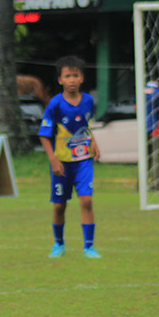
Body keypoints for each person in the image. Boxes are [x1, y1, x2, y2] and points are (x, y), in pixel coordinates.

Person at [39, 56, 101, 259]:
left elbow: (85, 126)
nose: (72, 79)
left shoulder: (89, 101)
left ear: (82, 78)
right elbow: (44, 135)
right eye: (68, 76)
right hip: (62, 163)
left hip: (83, 161)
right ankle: (59, 244)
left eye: (76, 75)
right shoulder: (55, 105)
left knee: (87, 202)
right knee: (59, 205)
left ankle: (89, 248)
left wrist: (93, 142)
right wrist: (53, 160)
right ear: (60, 80)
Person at [143, 77, 159, 189]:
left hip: (143, 128)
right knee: (157, 157)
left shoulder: (141, 91)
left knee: (144, 157)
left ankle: (140, 185)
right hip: (156, 128)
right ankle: (157, 184)